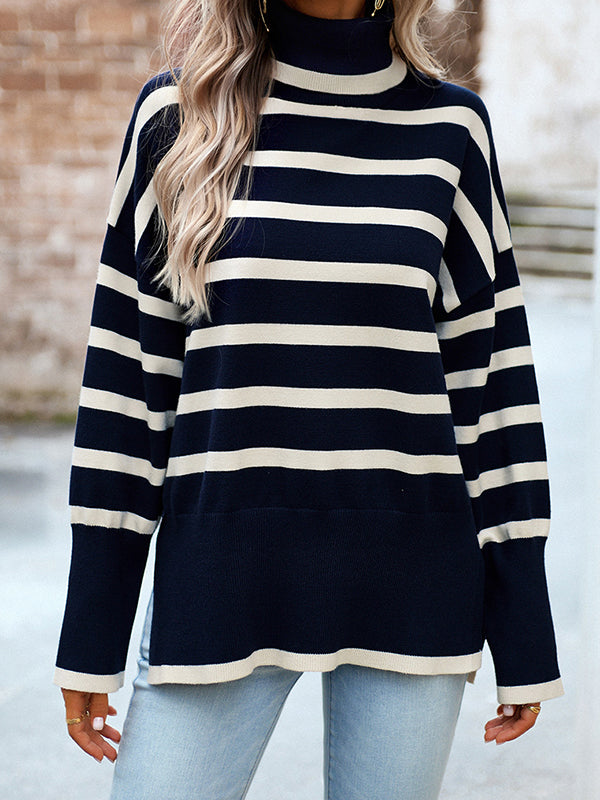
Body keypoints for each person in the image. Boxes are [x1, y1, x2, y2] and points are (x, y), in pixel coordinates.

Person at [54, 0, 564, 797]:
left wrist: (524, 628)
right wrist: (92, 630)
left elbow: (492, 386)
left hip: (413, 589)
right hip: (219, 581)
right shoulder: (175, 117)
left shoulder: (452, 130)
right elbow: (128, 390)